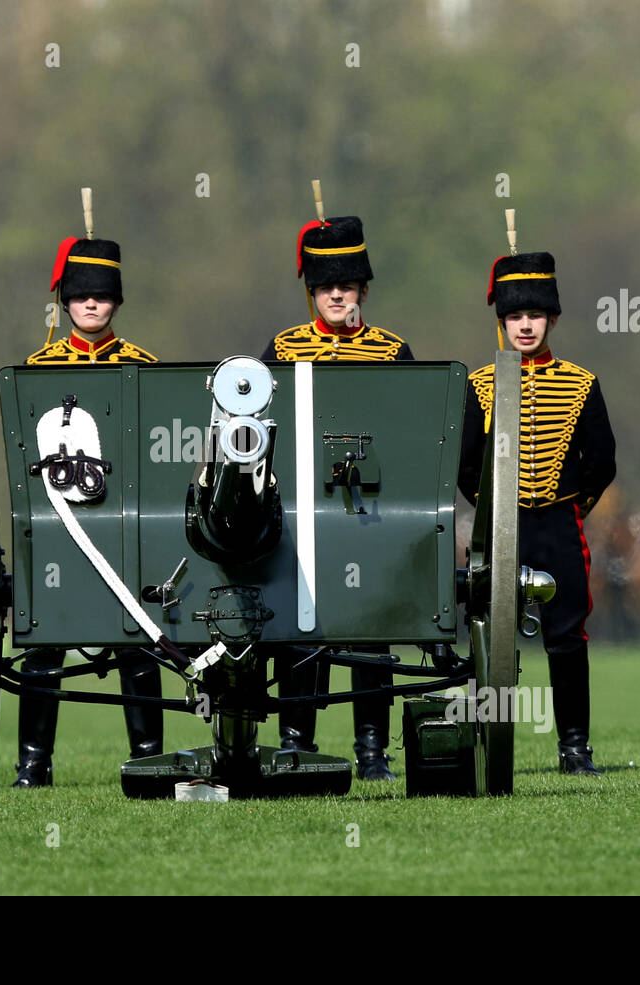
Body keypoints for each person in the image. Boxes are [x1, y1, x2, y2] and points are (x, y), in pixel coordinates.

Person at [261, 213, 414, 781]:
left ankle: (373, 752)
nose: (335, 295)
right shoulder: (282, 348)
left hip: (367, 515)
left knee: (370, 633)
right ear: (312, 292)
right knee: (300, 630)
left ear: (363, 291)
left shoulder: (393, 352)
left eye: (345, 286)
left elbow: (407, 438)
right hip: (303, 512)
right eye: (325, 287)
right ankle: (296, 745)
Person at [458, 250, 617, 775]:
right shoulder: (480, 386)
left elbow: (602, 462)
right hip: (499, 524)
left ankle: (574, 746)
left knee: (568, 636)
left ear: (551, 319)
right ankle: (487, 739)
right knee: (487, 633)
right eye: (515, 316)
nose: (525, 325)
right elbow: (464, 466)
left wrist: (572, 505)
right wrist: (491, 511)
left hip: (558, 523)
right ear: (501, 321)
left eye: (534, 316)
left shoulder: (580, 383)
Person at [14, 233, 161, 787]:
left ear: (117, 301)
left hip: (123, 524)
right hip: (60, 524)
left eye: (101, 295)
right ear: (66, 302)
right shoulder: (38, 367)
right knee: (45, 642)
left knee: (139, 641)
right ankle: (34, 763)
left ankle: (147, 758)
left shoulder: (143, 366)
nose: (92, 304)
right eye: (81, 295)